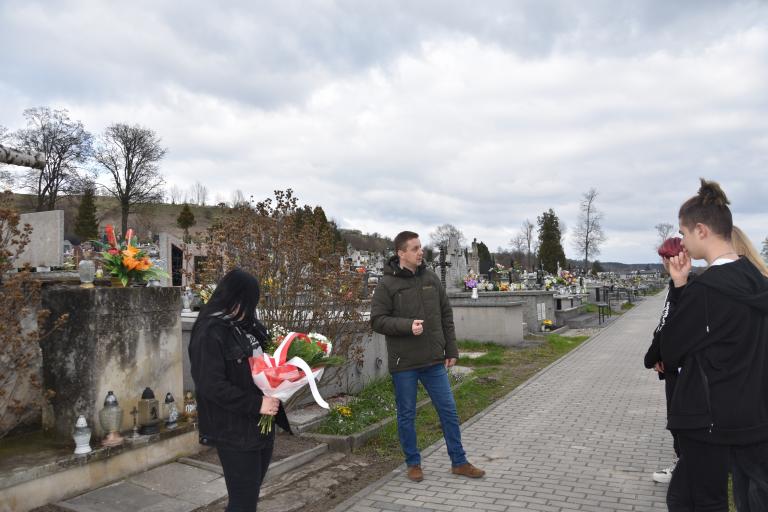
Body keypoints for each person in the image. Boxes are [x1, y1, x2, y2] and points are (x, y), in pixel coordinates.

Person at [659, 180, 768, 511]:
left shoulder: (705, 291)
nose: (684, 242)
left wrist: (679, 286)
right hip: (753, 417)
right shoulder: (759, 281)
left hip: (708, 420)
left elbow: (668, 351)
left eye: (685, 233)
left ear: (702, 230)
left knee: (693, 502)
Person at [370, 231, 485, 482]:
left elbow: (446, 316)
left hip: (433, 360)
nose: (420, 252)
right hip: (405, 363)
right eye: (414, 248)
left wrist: (451, 349)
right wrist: (406, 325)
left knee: (449, 412)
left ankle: (459, 461)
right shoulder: (387, 284)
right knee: (407, 415)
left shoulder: (432, 279)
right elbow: (377, 321)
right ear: (401, 253)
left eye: (421, 247)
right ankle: (413, 463)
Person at [189, 269, 291, 512]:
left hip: (261, 423)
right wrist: (256, 404)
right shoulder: (210, 332)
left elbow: (272, 358)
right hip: (233, 429)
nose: (249, 309)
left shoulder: (248, 325)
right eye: (246, 303)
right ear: (232, 297)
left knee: (249, 495)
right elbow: (211, 386)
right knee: (243, 501)